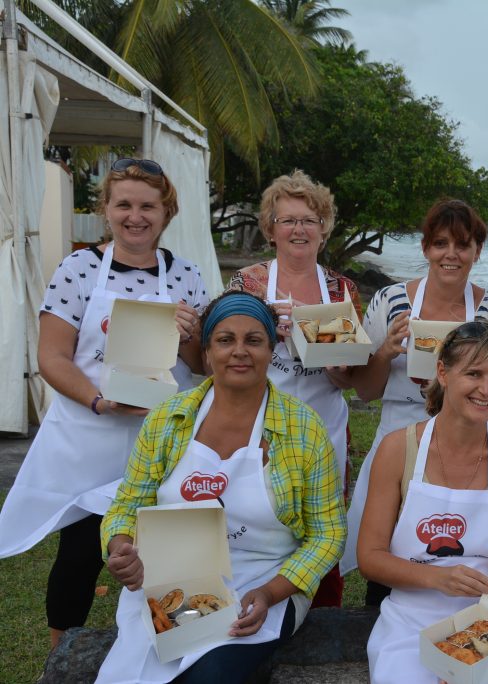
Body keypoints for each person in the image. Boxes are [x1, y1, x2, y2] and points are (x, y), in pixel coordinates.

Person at [0, 158, 208, 648]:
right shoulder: (79, 268)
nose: (135, 216)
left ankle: (178, 651)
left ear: (166, 212)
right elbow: (51, 357)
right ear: (106, 210)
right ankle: (61, 658)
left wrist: (189, 334)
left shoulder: (185, 275)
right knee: (78, 553)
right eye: (124, 205)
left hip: (159, 438)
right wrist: (99, 401)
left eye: (148, 206)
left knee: (174, 548)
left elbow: (202, 365)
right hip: (88, 436)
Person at [94, 291, 345, 683]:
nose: (240, 351)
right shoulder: (168, 418)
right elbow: (128, 503)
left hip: (264, 582)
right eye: (225, 340)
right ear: (207, 352)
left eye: (254, 340)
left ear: (271, 349)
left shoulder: (305, 429)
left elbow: (328, 534)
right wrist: (121, 547)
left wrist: (270, 593)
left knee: (209, 676)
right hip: (172, 582)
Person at [342, 199, 488, 604]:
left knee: (453, 535)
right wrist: (385, 351)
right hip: (396, 434)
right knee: (390, 538)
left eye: (463, 245)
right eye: (440, 244)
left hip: (466, 439)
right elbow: (364, 391)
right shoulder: (390, 301)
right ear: (425, 249)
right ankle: (382, 617)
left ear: (477, 251)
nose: (450, 255)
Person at [359, 322, 488, 683]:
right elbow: (370, 557)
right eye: (473, 373)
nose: (486, 390)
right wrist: (437, 577)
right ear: (442, 371)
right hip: (410, 618)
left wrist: (467, 652)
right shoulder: (398, 449)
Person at [228, 169, 360, 607]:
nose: (299, 229)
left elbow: (348, 378)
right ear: (271, 229)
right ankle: (252, 603)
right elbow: (225, 358)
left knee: (322, 528)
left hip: (325, 428)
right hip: (257, 427)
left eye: (309, 219)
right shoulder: (246, 284)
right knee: (259, 520)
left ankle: (322, 617)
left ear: (323, 229)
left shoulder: (341, 290)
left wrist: (316, 334)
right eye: (288, 220)